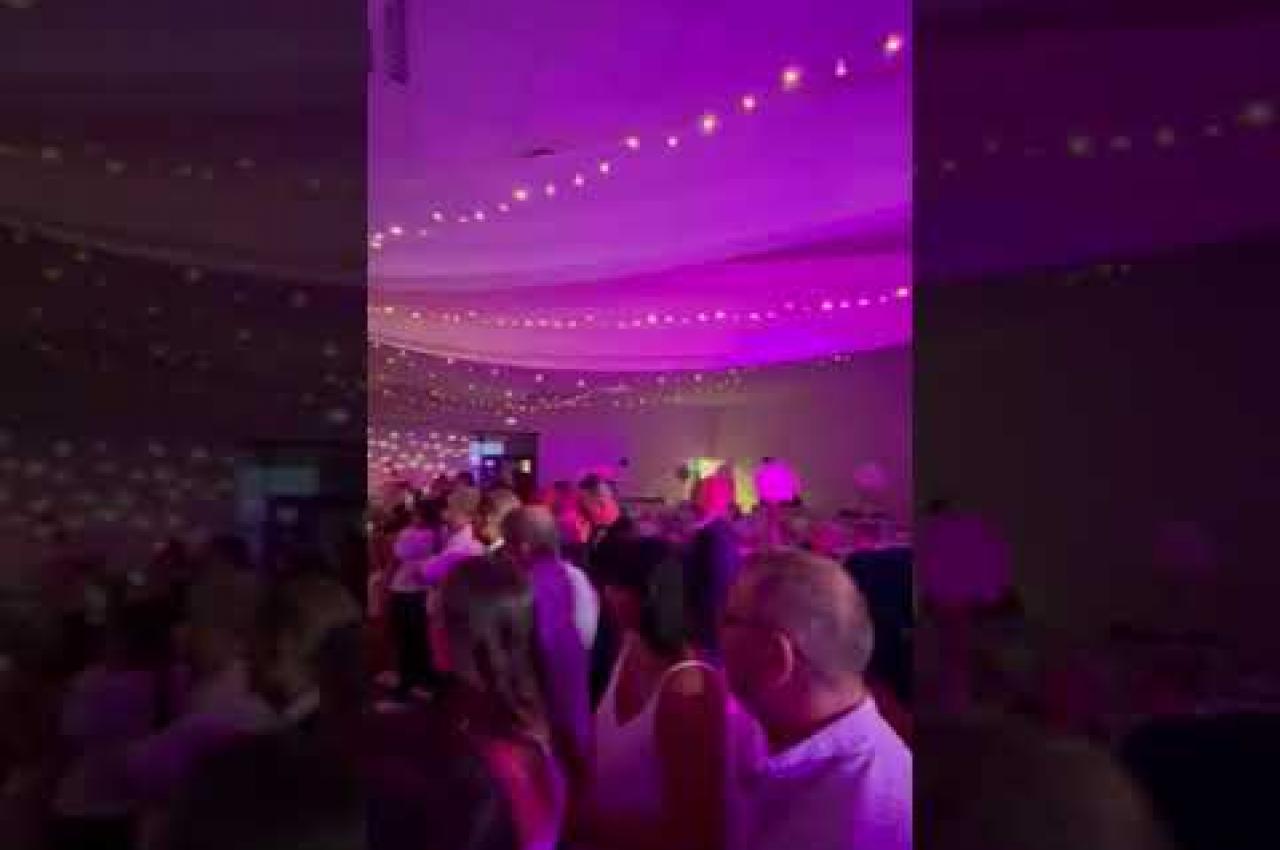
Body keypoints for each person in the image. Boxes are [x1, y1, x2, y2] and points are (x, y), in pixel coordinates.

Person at [369, 555, 565, 850]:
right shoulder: (525, 706)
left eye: (436, 616)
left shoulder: (478, 758)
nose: (429, 625)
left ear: (463, 634)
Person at [720, 550, 911, 850]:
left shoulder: (863, 822)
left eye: (728, 620)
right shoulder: (763, 731)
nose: (717, 633)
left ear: (775, 658)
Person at [163, 575, 366, 850]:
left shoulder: (289, 758)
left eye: (253, 635)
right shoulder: (356, 731)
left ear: (283, 643)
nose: (246, 652)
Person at [581, 536, 740, 850]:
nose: (607, 593)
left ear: (648, 597)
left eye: (618, 586)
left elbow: (695, 830)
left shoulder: (688, 690)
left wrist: (593, 826)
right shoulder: (629, 644)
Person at [499, 507, 595, 806]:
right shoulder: (573, 576)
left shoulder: (528, 585)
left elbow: (544, 650)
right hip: (573, 701)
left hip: (547, 713)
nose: (505, 555)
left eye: (507, 546)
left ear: (523, 546)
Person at [385, 499, 442, 703]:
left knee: (404, 639)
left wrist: (385, 583)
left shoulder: (408, 534)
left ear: (419, 514)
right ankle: (424, 680)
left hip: (404, 590)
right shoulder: (439, 534)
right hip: (425, 591)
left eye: (414, 513)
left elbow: (395, 561)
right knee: (421, 639)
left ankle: (406, 684)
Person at [683, 474, 742, 660]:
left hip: (708, 621)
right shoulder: (716, 530)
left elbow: (718, 583)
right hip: (709, 618)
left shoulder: (713, 534)